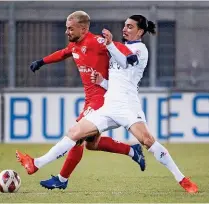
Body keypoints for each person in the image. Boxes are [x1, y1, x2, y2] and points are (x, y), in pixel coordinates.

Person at [17, 13, 198, 193]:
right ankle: (36, 164)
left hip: (127, 106)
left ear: (140, 31)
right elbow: (117, 78)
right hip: (109, 104)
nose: (124, 29)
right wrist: (102, 81)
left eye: (130, 27)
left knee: (148, 140)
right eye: (124, 25)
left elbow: (126, 64)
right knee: (76, 133)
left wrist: (111, 45)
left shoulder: (140, 50)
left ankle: (182, 179)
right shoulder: (117, 49)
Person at [16, 11, 145, 190]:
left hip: (102, 100)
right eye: (66, 28)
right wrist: (41, 61)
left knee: (76, 135)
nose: (66, 32)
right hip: (90, 100)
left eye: (70, 29)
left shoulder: (95, 42)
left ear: (83, 29)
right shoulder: (75, 45)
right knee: (92, 144)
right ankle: (132, 151)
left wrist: (129, 56)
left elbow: (115, 45)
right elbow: (62, 53)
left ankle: (44, 168)